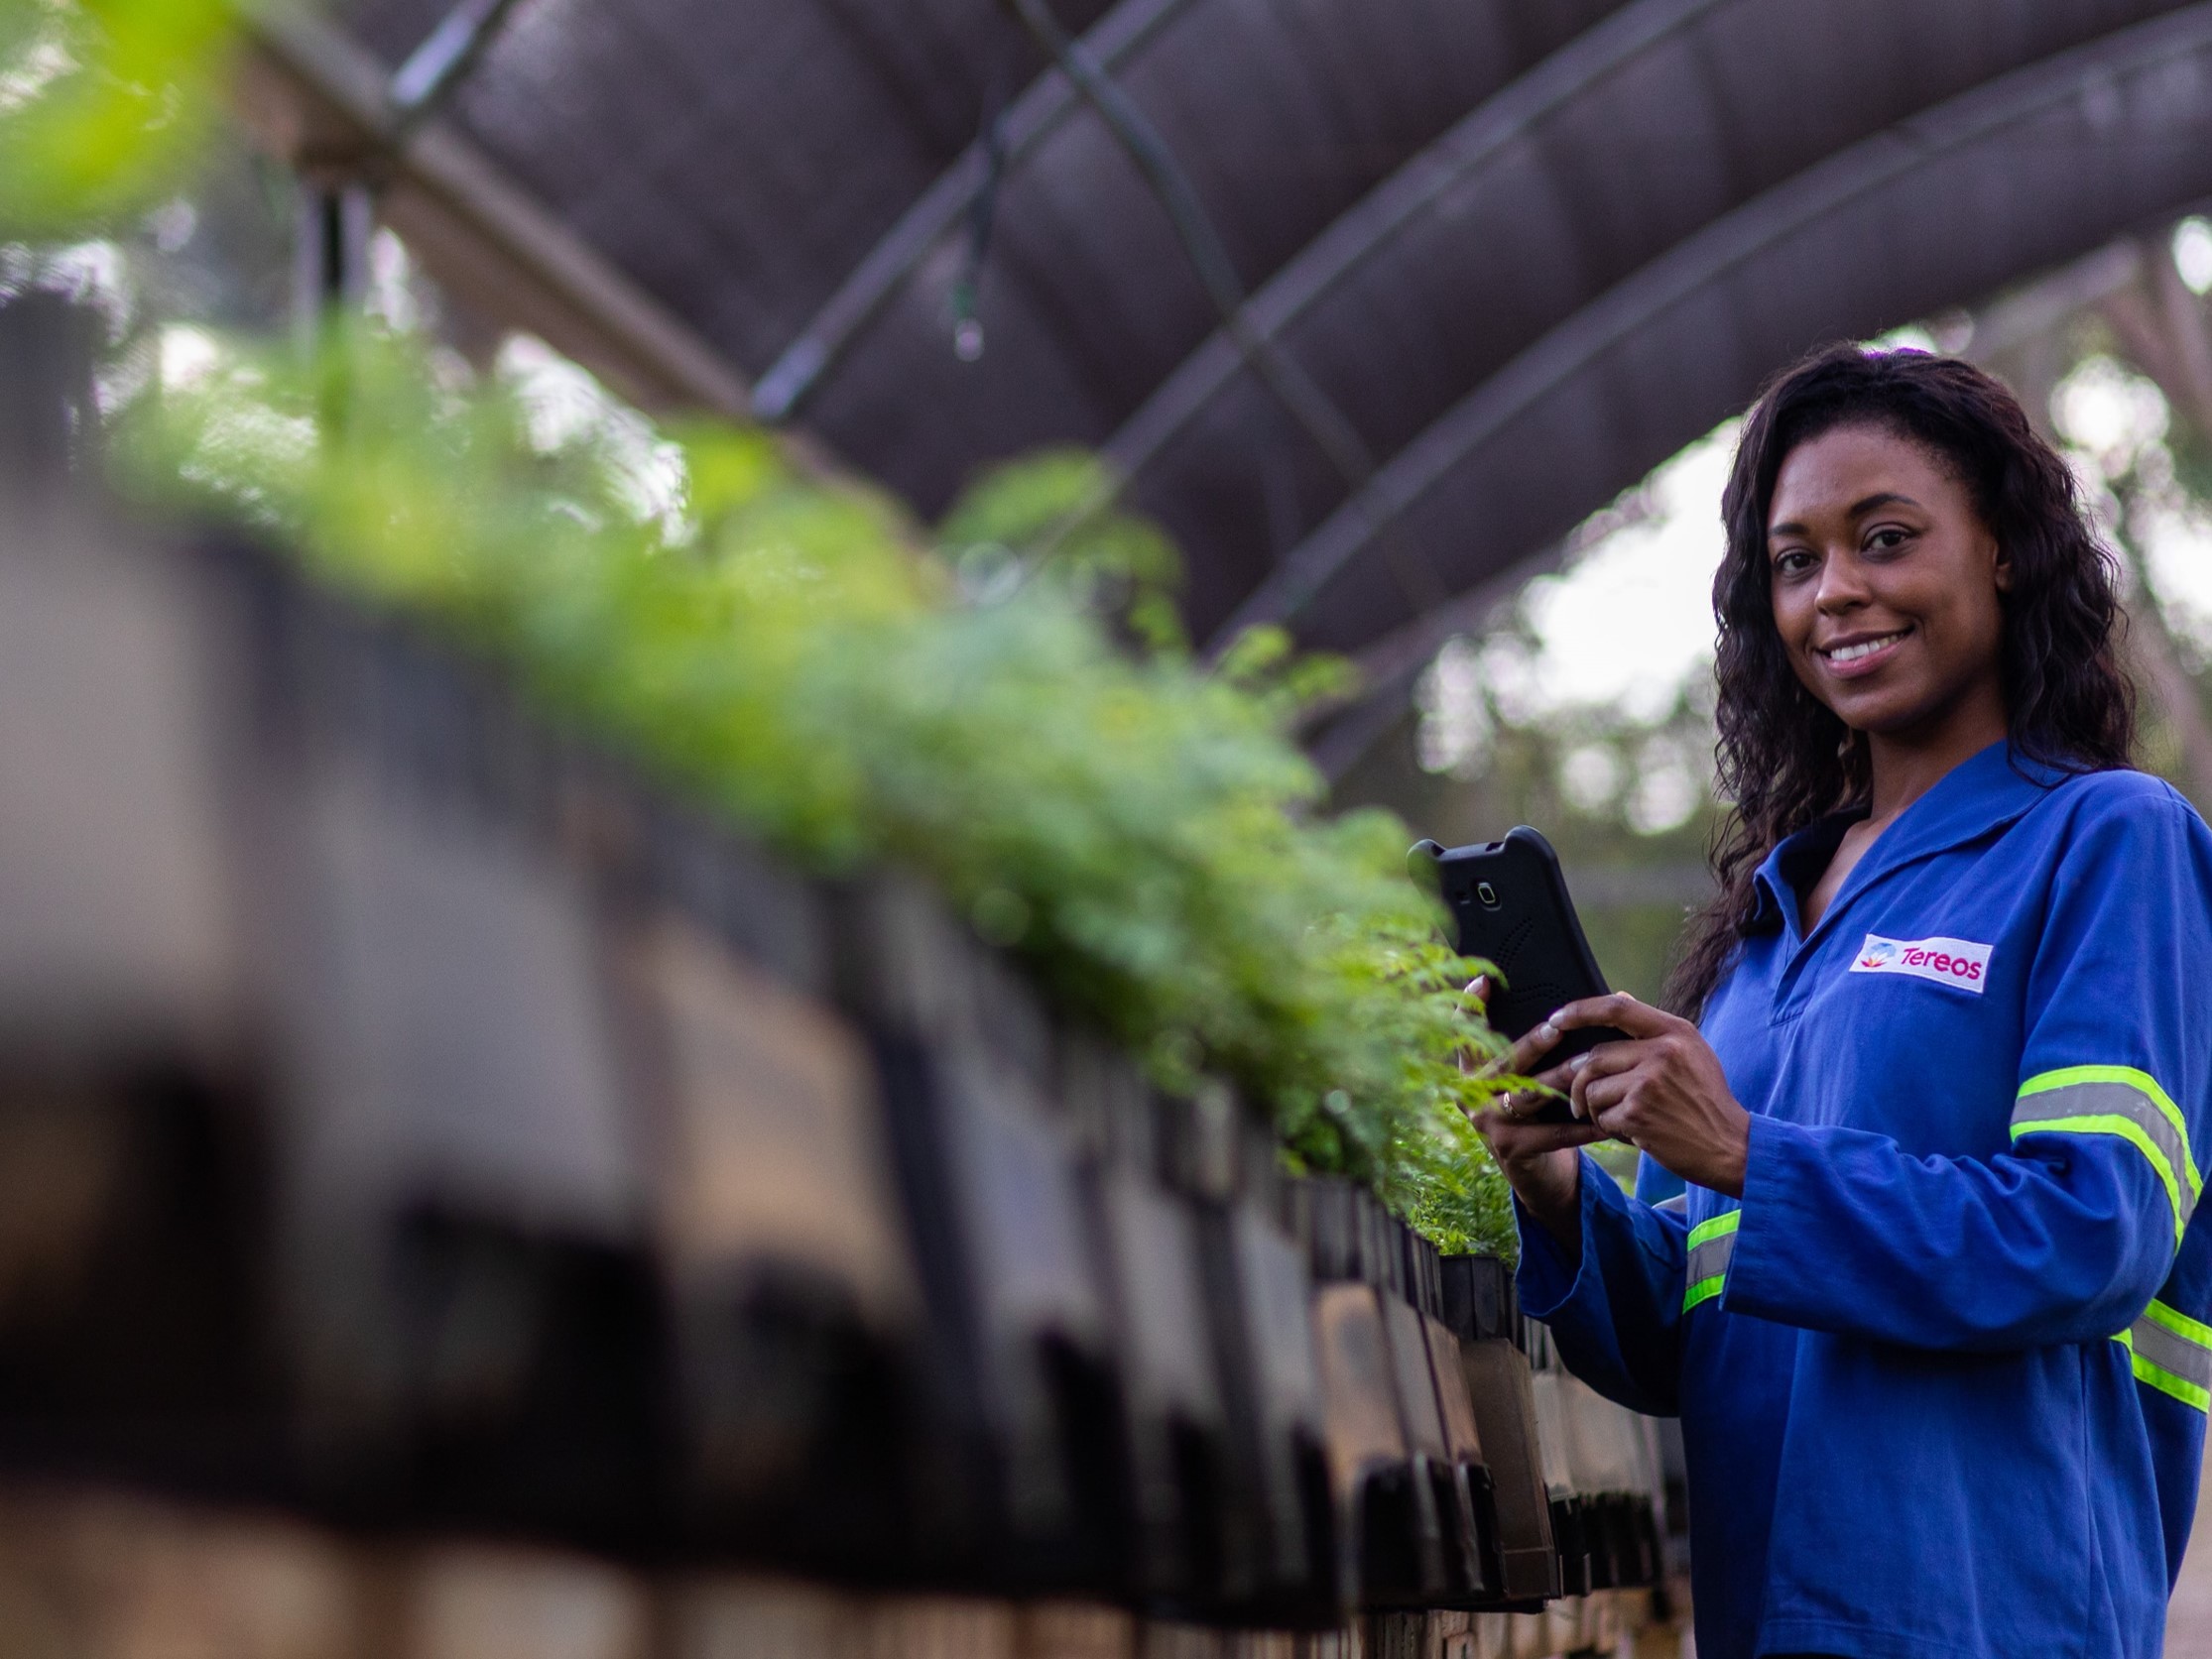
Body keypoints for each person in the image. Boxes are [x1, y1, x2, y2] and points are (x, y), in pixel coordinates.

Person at [1475, 344, 2212, 1659]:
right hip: (1769, 1625)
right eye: (1794, 560)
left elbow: (2095, 1229)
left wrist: (1748, 1152)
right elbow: (1676, 1339)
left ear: (2001, 547)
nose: (1836, 592)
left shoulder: (2106, 843)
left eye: (1883, 538)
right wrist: (1556, 1184)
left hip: (1999, 1619)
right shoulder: (1763, 937)